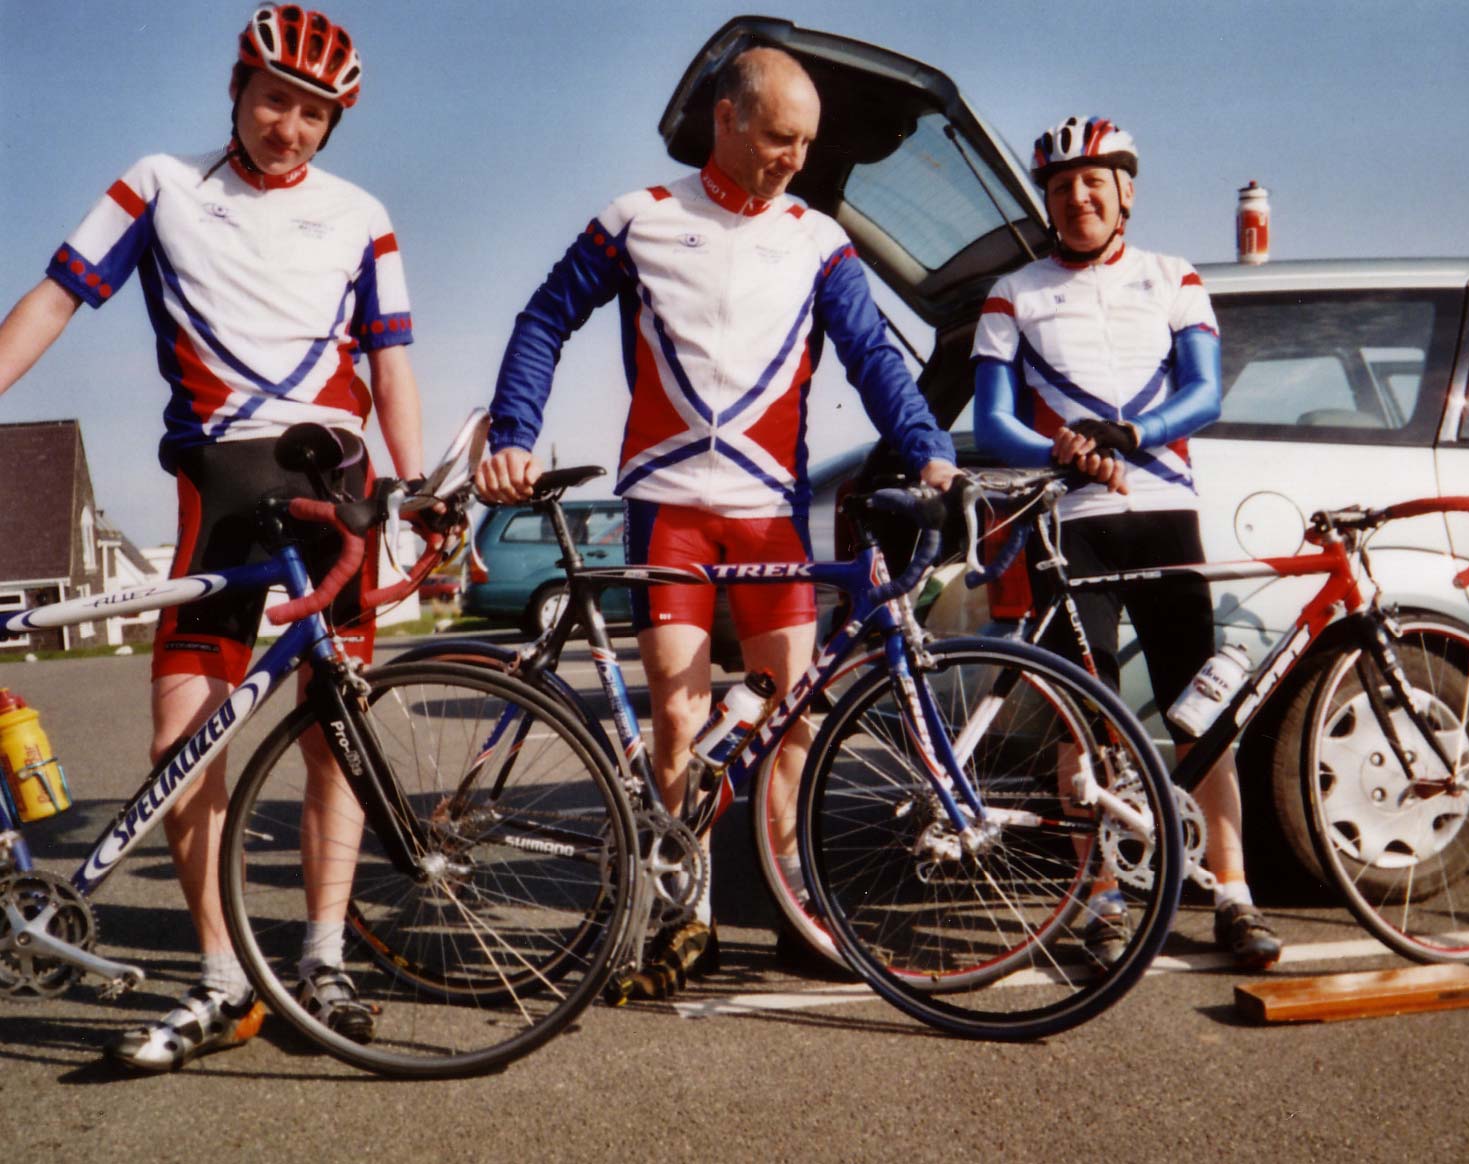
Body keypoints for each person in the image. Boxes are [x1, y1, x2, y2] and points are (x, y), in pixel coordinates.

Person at [0, 5, 427, 1067]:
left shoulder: (361, 214)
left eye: (315, 114)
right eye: (276, 100)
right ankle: (223, 980)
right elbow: (54, 299)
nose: (291, 127)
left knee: (335, 737)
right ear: (236, 90)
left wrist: (412, 486)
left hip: (336, 487)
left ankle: (323, 959)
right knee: (180, 744)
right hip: (222, 488)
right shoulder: (159, 184)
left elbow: (391, 362)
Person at [477, 45, 957, 985]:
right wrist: (514, 433)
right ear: (727, 118)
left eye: (806, 143)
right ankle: (678, 915)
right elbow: (543, 319)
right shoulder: (641, 217)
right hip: (668, 510)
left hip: (770, 511)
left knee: (792, 719)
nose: (794, 160)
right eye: (780, 138)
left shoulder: (817, 238)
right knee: (679, 717)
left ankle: (795, 907)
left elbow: (872, 355)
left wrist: (928, 446)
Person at [971, 115, 1283, 969]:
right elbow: (993, 422)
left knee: (1200, 714)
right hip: (1072, 525)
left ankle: (1233, 894)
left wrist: (1131, 435)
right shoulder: (1013, 292)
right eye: (1061, 186)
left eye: (1093, 182)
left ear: (1126, 192)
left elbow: (1205, 394)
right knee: (1084, 721)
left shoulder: (1173, 276)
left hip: (1163, 512)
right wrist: (1060, 453)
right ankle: (1098, 896)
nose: (1078, 197)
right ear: (1046, 200)